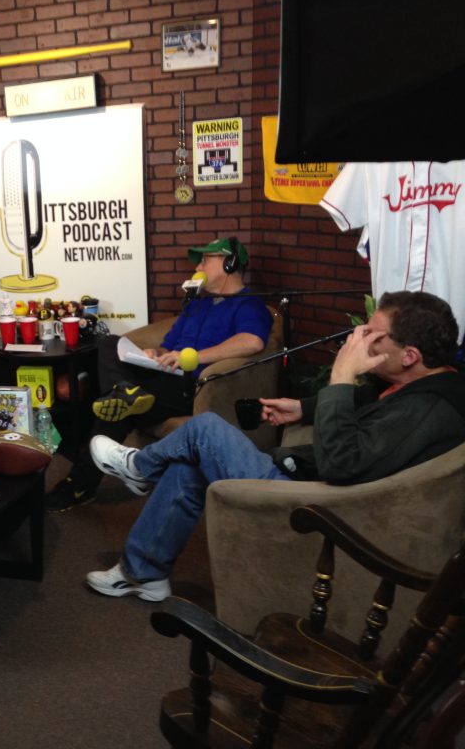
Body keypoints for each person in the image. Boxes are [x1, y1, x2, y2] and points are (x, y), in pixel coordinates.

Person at [85, 291, 465, 602]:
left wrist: (341, 376)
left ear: (410, 355)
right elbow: (372, 404)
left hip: (316, 507)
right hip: (310, 483)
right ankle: (143, 573)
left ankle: (140, 469)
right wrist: (303, 407)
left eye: (373, 335)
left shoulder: (429, 409)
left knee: (205, 432)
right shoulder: (421, 386)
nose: (359, 338)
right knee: (189, 464)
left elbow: (342, 464)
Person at [47, 236, 273, 511]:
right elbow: (168, 344)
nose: (199, 265)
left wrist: (193, 358)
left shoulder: (248, 303)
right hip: (162, 374)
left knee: (115, 409)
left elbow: (253, 341)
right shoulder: (198, 303)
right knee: (107, 343)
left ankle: (80, 482)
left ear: (229, 263)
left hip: (191, 385)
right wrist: (155, 352)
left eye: (205, 259)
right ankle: (123, 391)